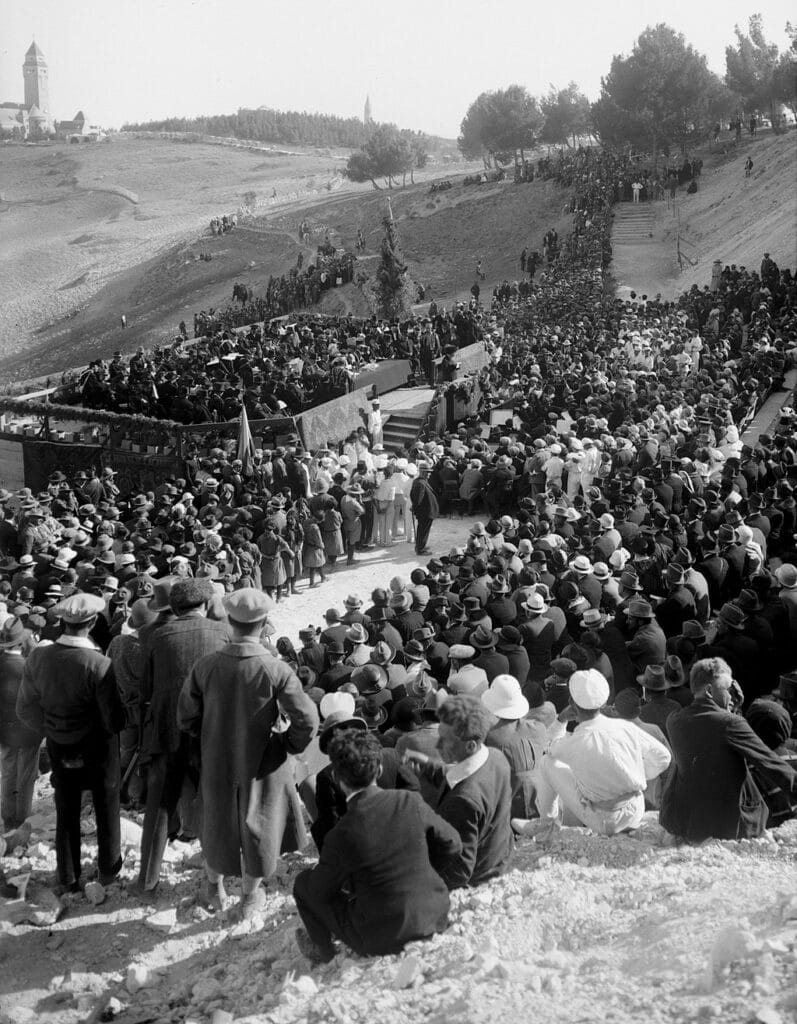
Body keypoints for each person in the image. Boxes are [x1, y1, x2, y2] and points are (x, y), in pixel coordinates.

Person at [177, 589, 318, 918]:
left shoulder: (206, 665)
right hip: (264, 761)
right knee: (260, 824)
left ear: (230, 622)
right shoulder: (275, 668)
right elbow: (307, 719)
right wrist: (288, 745)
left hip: (216, 758)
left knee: (217, 819)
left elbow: (185, 716)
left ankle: (213, 887)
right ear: (264, 623)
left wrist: (208, 737)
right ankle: (250, 897)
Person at [293, 729, 462, 964]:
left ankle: (325, 953)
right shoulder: (409, 800)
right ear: (379, 770)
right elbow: (452, 844)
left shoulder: (341, 833)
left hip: (382, 939)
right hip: (435, 916)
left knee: (303, 883)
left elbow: (320, 892)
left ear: (340, 781)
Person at [16, 594, 125, 894]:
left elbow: (24, 709)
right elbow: (114, 720)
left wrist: (52, 729)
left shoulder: (38, 657)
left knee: (66, 809)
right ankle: (107, 871)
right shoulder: (99, 665)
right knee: (106, 806)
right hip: (98, 751)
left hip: (59, 746)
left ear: (63, 622)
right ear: (91, 623)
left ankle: (67, 877)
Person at [136, 578, 228, 896]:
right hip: (209, 730)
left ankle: (147, 880)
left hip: (165, 731)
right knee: (216, 801)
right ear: (204, 605)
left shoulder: (155, 636)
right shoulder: (222, 632)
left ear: (174, 608)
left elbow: (145, 689)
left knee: (160, 806)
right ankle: (217, 876)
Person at [515, 669, 671, 838]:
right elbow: (663, 757)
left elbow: (548, 746)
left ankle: (546, 824)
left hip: (605, 820)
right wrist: (633, 774)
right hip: (635, 809)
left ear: (571, 703)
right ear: (603, 702)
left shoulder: (576, 741)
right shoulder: (625, 726)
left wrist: (561, 720)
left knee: (547, 762)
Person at [660, 658, 796, 843]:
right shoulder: (731, 723)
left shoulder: (674, 720)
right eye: (727, 690)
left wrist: (731, 709)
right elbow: (769, 763)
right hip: (727, 824)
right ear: (709, 690)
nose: (731, 697)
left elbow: (712, 737)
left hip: (686, 820)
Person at [404, 694, 513, 889]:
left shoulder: (463, 801)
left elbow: (458, 872)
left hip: (478, 884)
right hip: (498, 860)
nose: (437, 746)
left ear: (470, 745)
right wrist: (430, 766)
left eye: (444, 740)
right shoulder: (497, 758)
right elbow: (465, 775)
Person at [0, 616, 42, 831]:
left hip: (5, 731)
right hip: (28, 731)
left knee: (7, 771)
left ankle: (7, 817)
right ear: (20, 642)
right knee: (26, 776)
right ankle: (22, 818)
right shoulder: (29, 667)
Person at [410, 462, 439, 555]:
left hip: (425, 511)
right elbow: (418, 499)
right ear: (422, 472)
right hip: (425, 511)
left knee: (422, 529)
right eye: (427, 472)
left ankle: (420, 545)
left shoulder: (418, 481)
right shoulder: (421, 483)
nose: (429, 474)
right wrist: (414, 507)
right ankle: (420, 549)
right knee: (423, 530)